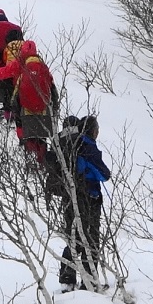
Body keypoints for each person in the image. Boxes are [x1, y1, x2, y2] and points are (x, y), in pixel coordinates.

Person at [54, 114, 111, 290]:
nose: (98, 132)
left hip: (68, 197)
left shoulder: (67, 145)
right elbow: (104, 174)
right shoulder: (87, 146)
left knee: (74, 238)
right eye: (97, 129)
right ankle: (90, 282)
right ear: (92, 130)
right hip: (89, 198)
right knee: (90, 239)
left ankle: (67, 280)